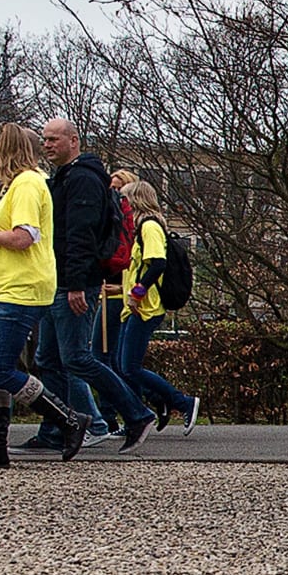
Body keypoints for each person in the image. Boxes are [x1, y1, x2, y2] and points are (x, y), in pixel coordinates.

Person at [0, 121, 93, 469]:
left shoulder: (28, 184)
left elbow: (24, 237)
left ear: (6, 148)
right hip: (7, 287)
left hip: (22, 288)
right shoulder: (16, 185)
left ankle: (70, 419)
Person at [38, 116, 152, 450]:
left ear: (74, 141)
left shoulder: (84, 180)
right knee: (49, 357)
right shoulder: (64, 178)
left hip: (73, 282)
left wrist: (76, 284)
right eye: (44, 139)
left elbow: (79, 235)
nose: (47, 145)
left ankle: (135, 413)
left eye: (54, 139)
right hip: (59, 280)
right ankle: (58, 427)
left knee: (76, 358)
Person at [115, 178, 199, 434]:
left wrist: (138, 292)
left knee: (129, 366)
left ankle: (179, 402)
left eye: (125, 200)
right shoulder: (138, 228)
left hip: (146, 306)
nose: (121, 207)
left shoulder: (149, 226)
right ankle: (155, 403)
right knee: (122, 365)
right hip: (134, 306)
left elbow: (157, 264)